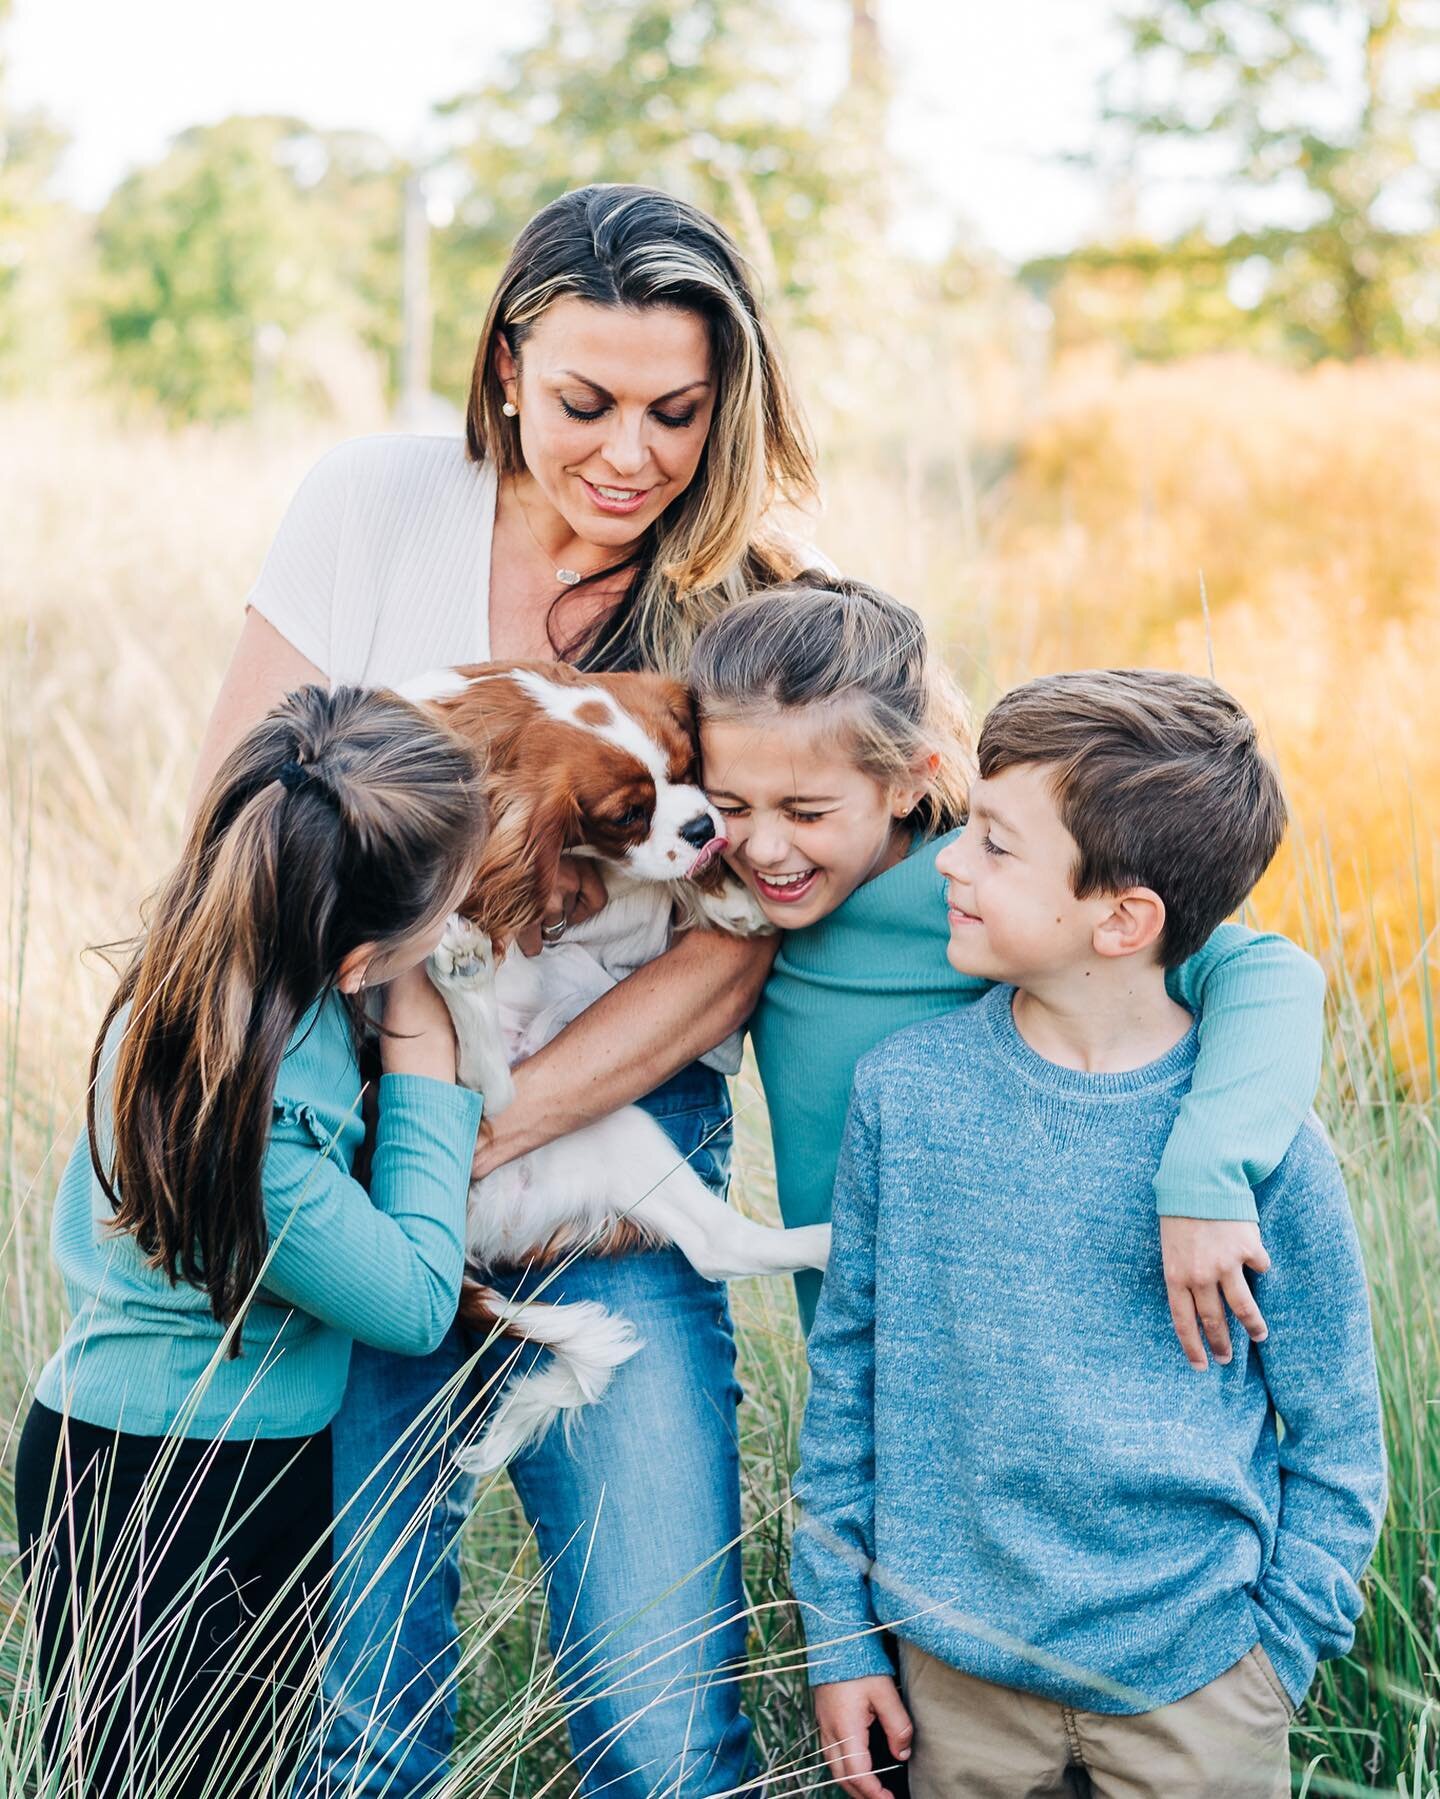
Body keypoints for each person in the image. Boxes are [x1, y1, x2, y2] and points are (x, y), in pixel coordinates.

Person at [195, 185, 816, 1797]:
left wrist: (495, 1127)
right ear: (505, 370)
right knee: (355, 1702)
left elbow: (734, 938)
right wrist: (385, 1144)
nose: (629, 454)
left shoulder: (744, 602)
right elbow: (236, 829)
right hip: (344, 1142)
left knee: (668, 1715)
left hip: (611, 1135)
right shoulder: (373, 504)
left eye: (679, 412)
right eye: (585, 403)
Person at [788, 667, 1387, 1799]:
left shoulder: (1266, 1145)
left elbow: (1337, 1431)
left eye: (996, 846)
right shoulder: (907, 1095)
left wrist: (1276, 1655)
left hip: (1202, 1686)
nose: (950, 863)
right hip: (950, 1684)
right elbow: (850, 1374)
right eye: (966, 827)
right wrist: (841, 1633)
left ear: (1124, 918)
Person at [15, 684, 487, 1799]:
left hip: (139, 1450)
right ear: (365, 960)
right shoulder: (252, 1126)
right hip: (185, 1495)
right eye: (449, 908)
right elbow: (417, 1298)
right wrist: (424, 1059)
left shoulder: (198, 978)